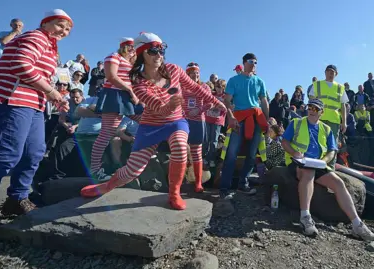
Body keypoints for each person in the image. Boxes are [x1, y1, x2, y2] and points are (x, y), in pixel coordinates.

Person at [80, 32, 226, 210]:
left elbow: (194, 87)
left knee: (180, 147)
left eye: (161, 50)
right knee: (133, 171)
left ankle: (174, 194)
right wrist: (171, 105)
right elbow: (159, 108)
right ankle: (107, 185)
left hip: (176, 122)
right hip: (151, 125)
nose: (159, 55)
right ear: (142, 54)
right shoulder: (137, 81)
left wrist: (217, 102)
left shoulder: (174, 69)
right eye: (153, 51)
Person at [0, 9, 72, 215]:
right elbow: (21, 65)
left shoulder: (50, 47)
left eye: (68, 28)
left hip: (34, 104)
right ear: (45, 23)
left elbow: (40, 76)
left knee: (33, 152)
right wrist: (52, 91)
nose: (64, 30)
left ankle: (17, 199)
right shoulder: (36, 36)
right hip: (13, 100)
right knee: (7, 154)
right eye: (60, 25)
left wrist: (56, 97)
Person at [281, 98, 374, 241]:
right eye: (309, 108)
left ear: (322, 112)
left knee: (338, 183)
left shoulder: (326, 129)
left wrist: (324, 161)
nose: (311, 111)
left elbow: (332, 151)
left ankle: (357, 224)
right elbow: (284, 142)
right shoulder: (296, 123)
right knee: (308, 173)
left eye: (315, 109)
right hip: (298, 162)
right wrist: (294, 153)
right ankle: (305, 217)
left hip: (318, 163)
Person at [90, 37, 141, 181]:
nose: (132, 50)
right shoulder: (113, 56)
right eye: (130, 47)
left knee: (147, 121)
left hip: (128, 97)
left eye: (134, 47)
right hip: (114, 95)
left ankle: (143, 157)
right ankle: (95, 170)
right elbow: (111, 76)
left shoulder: (130, 63)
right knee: (107, 133)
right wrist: (130, 91)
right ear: (123, 46)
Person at [220, 53, 269, 199]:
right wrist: (231, 117)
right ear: (243, 63)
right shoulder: (234, 80)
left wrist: (266, 122)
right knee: (231, 153)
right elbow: (227, 101)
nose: (253, 64)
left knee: (252, 154)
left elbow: (264, 101)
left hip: (256, 119)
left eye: (255, 62)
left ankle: (243, 184)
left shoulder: (260, 81)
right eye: (250, 61)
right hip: (239, 119)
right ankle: (224, 188)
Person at [307, 65, 348, 168]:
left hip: (334, 120)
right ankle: (315, 166)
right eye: (328, 71)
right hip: (319, 118)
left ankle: (330, 168)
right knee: (316, 142)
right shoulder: (317, 84)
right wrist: (312, 115)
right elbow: (311, 100)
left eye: (333, 72)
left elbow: (343, 106)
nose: (330, 73)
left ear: (336, 74)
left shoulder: (340, 87)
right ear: (325, 72)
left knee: (332, 145)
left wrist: (344, 122)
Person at [182, 62, 213, 192]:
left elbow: (210, 103)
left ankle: (198, 183)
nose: (195, 75)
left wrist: (199, 109)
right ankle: (181, 181)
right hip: (183, 121)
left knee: (196, 152)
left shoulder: (204, 86)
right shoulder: (181, 86)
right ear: (187, 74)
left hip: (198, 122)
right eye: (192, 72)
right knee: (181, 151)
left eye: (197, 73)